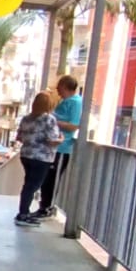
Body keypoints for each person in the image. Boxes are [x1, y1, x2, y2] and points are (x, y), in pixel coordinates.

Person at [14, 90, 62, 228]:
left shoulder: (26, 118)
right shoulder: (48, 119)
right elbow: (52, 140)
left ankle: (23, 212)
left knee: (28, 184)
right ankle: (23, 214)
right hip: (41, 157)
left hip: (26, 155)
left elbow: (19, 137)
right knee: (32, 186)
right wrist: (61, 139)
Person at [38, 75, 83, 218]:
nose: (57, 90)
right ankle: (43, 205)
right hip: (53, 146)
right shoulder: (66, 101)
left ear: (65, 87)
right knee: (46, 178)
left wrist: (52, 121)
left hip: (62, 147)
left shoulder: (75, 103)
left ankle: (47, 207)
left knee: (52, 179)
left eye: (59, 87)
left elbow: (73, 125)